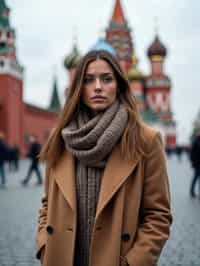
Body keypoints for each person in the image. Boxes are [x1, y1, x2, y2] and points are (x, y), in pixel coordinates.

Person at [36, 50, 172, 266]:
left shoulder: (145, 140)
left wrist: (134, 262)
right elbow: (47, 203)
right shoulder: (61, 138)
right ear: (79, 88)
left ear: (119, 85)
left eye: (107, 79)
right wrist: (44, 245)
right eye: (88, 80)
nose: (97, 86)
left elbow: (158, 215)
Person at [189, 129, 200, 197]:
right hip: (197, 163)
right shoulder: (195, 141)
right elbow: (192, 153)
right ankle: (192, 191)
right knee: (195, 177)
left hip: (198, 163)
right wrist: (193, 162)